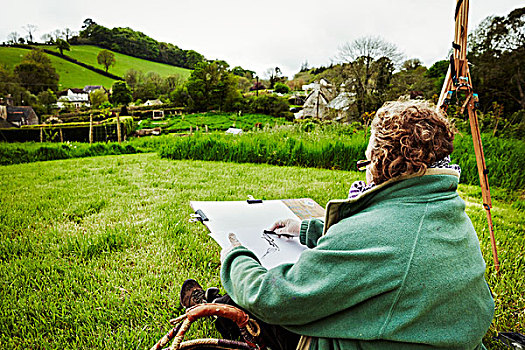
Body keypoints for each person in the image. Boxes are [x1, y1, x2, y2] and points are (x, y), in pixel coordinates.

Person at [181, 100, 495, 350]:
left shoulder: (376, 231)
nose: (366, 168)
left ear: (382, 160)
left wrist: (235, 254)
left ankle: (215, 306)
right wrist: (306, 229)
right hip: (431, 333)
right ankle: (213, 301)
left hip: (374, 341)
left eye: (367, 159)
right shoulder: (444, 207)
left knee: (258, 302)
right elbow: (382, 250)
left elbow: (274, 298)